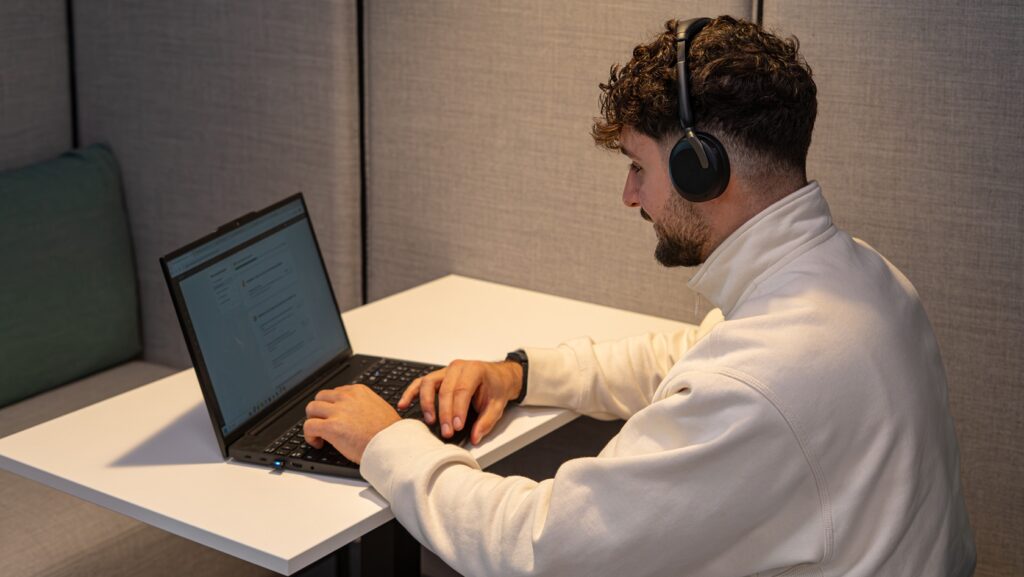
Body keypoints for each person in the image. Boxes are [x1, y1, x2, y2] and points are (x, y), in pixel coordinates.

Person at [302, 16, 975, 576]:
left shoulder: (759, 383)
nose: (629, 195)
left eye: (637, 166)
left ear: (700, 169)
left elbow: (542, 548)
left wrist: (389, 443)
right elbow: (693, 354)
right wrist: (522, 374)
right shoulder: (862, 278)